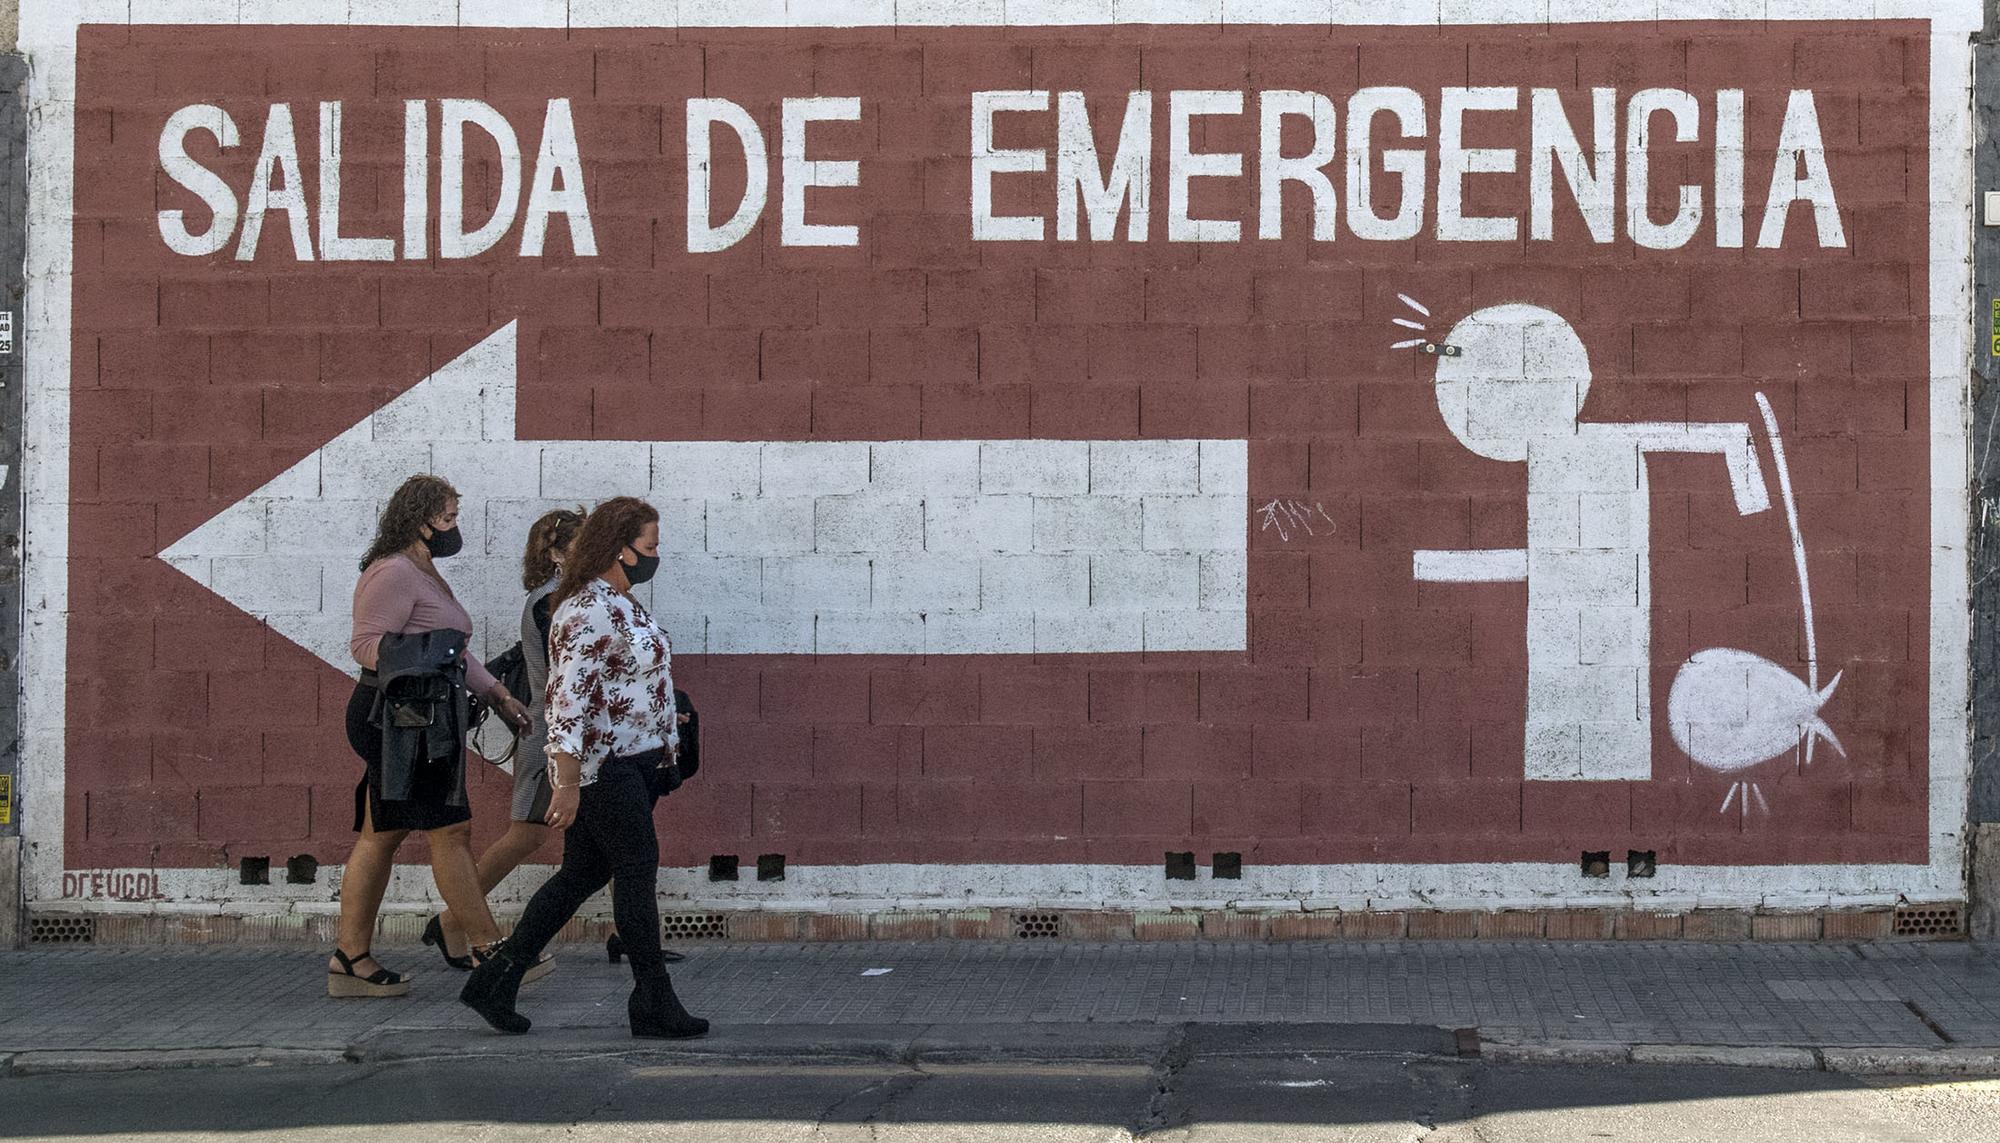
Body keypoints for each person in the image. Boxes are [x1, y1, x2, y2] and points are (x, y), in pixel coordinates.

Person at [460, 497, 709, 1039]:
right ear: (619, 548)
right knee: (637, 871)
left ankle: (494, 981)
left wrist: (670, 722)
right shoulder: (584, 608)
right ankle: (652, 1000)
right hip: (602, 769)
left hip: (632, 764)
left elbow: (625, 683)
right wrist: (567, 784)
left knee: (581, 875)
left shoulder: (619, 601)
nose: (655, 555)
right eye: (650, 546)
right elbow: (568, 700)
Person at [328, 475, 531, 998]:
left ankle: (350, 959)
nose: (454, 527)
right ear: (419, 519)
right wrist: (429, 672)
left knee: (382, 834)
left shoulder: (423, 570)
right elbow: (366, 644)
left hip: (419, 723)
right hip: (397, 723)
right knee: (450, 829)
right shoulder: (392, 571)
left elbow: (452, 651)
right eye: (448, 517)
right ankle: (491, 950)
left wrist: (498, 696)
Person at [423, 507, 585, 977]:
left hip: (568, 736)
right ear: (555, 554)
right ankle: (455, 920)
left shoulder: (570, 597)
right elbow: (566, 676)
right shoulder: (551, 601)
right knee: (526, 834)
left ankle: (630, 937)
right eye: (579, 547)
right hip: (553, 735)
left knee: (610, 835)